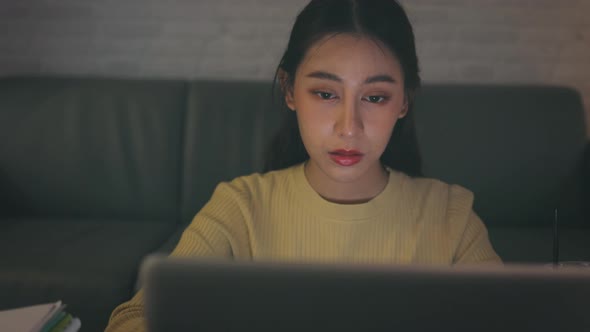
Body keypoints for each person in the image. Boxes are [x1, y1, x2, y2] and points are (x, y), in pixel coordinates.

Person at [105, 0, 501, 330]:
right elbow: (133, 319)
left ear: (404, 102)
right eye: (326, 93)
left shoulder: (451, 215)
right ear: (289, 90)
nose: (350, 128)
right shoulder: (240, 206)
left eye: (375, 97)